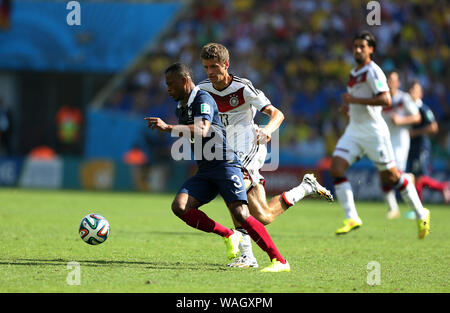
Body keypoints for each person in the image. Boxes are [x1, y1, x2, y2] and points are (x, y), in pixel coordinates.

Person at [145, 62, 290, 272]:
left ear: (185, 81)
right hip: (206, 170)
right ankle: (228, 234)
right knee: (180, 207)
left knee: (242, 214)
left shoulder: (203, 98)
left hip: (225, 164)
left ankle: (280, 261)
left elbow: (203, 129)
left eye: (171, 84)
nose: (168, 88)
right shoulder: (182, 106)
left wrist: (168, 128)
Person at [198, 42, 333, 268]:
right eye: (206, 67)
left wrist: (267, 130)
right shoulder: (203, 90)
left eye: (214, 66)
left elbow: (277, 113)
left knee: (233, 187)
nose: (210, 72)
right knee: (263, 216)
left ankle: (247, 256)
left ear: (226, 64)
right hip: (226, 150)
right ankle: (306, 187)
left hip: (249, 145)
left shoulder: (243, 88)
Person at [329, 31, 430, 238]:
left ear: (370, 50)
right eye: (355, 46)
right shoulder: (354, 72)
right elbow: (356, 98)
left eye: (362, 47)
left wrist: (354, 101)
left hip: (374, 132)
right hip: (355, 130)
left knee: (392, 176)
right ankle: (352, 217)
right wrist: (348, 107)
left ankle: (421, 213)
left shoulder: (374, 72)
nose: (357, 49)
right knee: (336, 168)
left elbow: (386, 100)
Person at [381, 71, 421, 219]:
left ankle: (416, 206)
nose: (390, 83)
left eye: (393, 80)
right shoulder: (382, 99)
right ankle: (393, 208)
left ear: (398, 83)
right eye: (388, 80)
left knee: (395, 173)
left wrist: (401, 120)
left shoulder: (404, 98)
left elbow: (417, 117)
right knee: (383, 174)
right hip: (385, 140)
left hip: (400, 140)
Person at [405, 81, 450, 204]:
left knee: (419, 177)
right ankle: (442, 188)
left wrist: (415, 133)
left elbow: (433, 127)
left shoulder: (423, 109)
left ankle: (442, 187)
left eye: (414, 90)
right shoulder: (408, 109)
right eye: (410, 90)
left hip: (421, 146)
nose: (411, 92)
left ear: (421, 94)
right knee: (415, 177)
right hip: (411, 146)